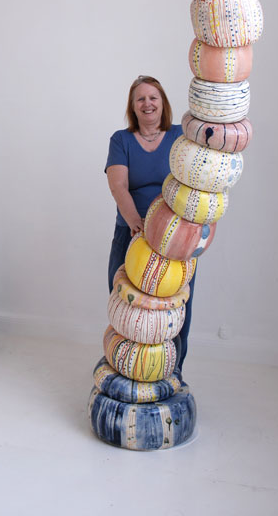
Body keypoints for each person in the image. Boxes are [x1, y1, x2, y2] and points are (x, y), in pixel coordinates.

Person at [105, 74, 195, 374]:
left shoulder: (180, 136)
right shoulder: (121, 140)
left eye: (153, 97)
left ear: (163, 103)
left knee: (174, 310)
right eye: (140, 99)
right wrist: (136, 223)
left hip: (175, 240)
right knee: (125, 307)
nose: (147, 103)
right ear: (133, 106)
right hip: (131, 233)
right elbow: (118, 186)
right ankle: (127, 370)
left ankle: (172, 372)